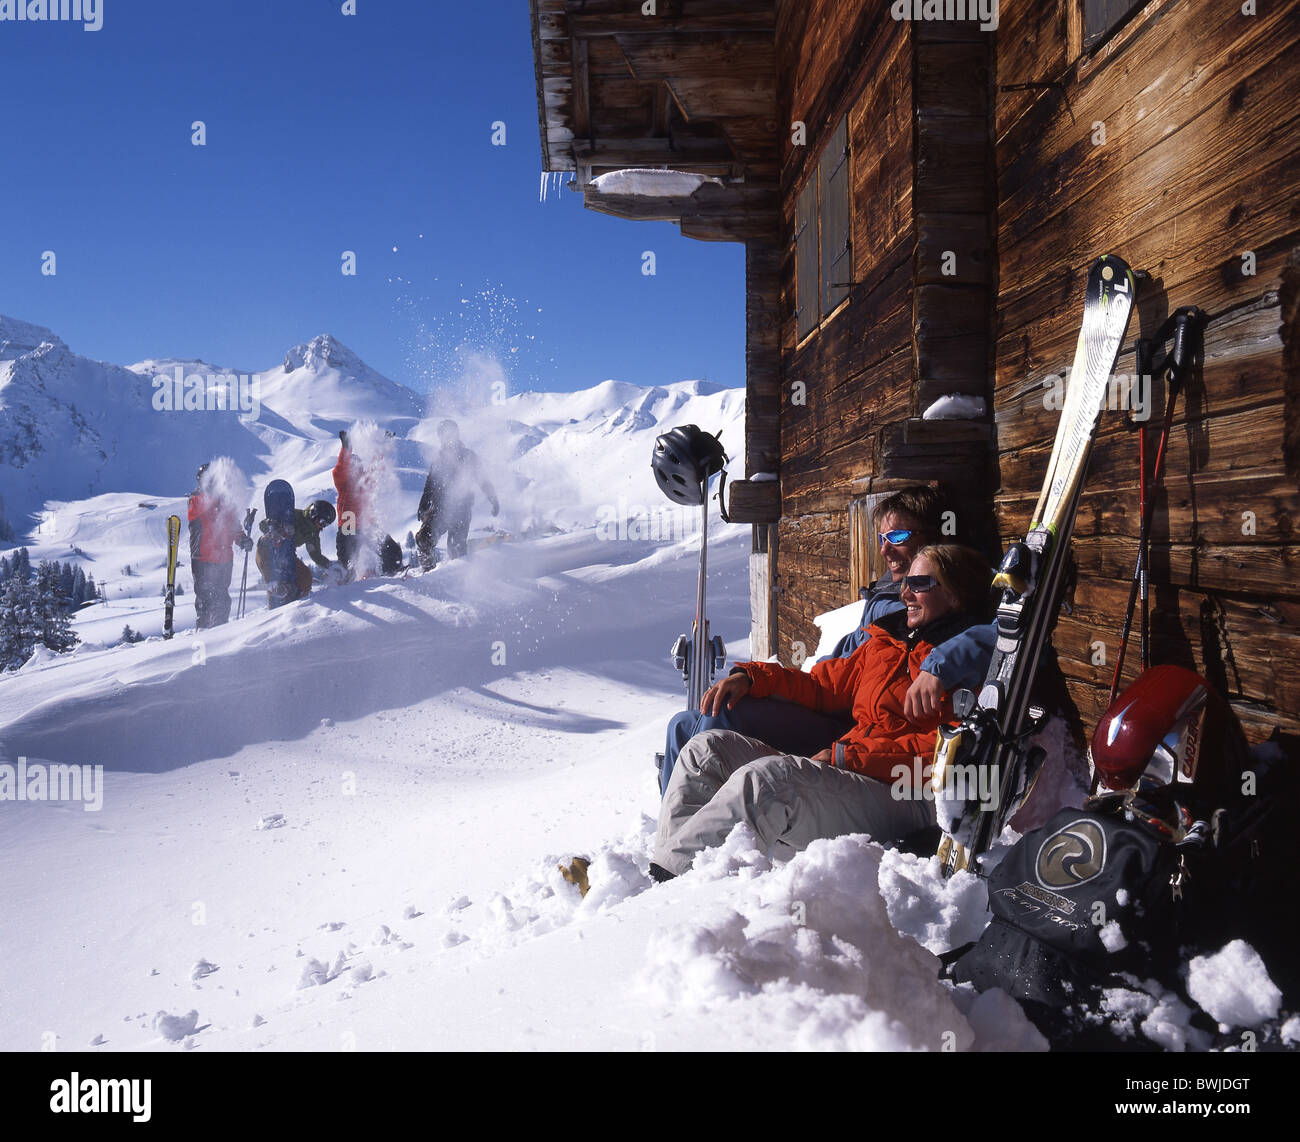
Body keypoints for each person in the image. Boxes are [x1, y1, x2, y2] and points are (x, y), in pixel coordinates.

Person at [650, 544, 994, 880]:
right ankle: (671, 878)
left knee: (768, 782)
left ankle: (667, 890)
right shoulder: (887, 643)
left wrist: (850, 757)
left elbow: (945, 759)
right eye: (906, 583)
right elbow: (821, 687)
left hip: (908, 796)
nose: (905, 594)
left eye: (919, 585)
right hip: (855, 778)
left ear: (955, 595)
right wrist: (752, 676)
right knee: (704, 751)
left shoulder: (971, 669)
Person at [657, 486, 996, 792]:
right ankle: (676, 834)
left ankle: (709, 843)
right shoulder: (889, 606)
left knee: (723, 715)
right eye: (881, 539)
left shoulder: (953, 611)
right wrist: (752, 676)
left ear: (936, 539)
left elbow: (1000, 634)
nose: (886, 550)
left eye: (899, 535)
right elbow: (830, 680)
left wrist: (941, 663)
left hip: (852, 733)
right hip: (831, 704)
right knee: (683, 726)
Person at [415, 419, 500, 570]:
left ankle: (459, 579)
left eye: (451, 434)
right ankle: (428, 572)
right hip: (439, 509)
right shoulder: (439, 460)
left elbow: (482, 480)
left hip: (461, 510)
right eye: (444, 435)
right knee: (424, 539)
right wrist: (423, 504)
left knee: (456, 549)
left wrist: (493, 498)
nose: (447, 438)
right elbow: (430, 485)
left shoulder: (469, 456)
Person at [187, 463, 253, 629]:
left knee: (222, 599)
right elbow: (199, 509)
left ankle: (220, 636)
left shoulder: (225, 505)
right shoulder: (195, 501)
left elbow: (234, 527)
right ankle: (202, 634)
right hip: (203, 559)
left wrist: (243, 539)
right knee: (205, 600)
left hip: (224, 560)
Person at [255, 499, 335, 603]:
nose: (322, 526)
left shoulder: (312, 533)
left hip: (286, 555)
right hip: (266, 550)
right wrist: (273, 525)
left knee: (306, 577)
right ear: (313, 513)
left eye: (325, 525)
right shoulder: (292, 515)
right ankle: (278, 598)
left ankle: (293, 598)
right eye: (321, 522)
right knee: (275, 581)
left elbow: (315, 554)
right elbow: (262, 525)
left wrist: (330, 565)